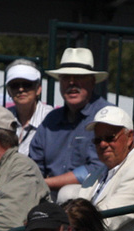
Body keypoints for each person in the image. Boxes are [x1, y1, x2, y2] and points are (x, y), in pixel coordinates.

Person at [29, 48, 108, 198]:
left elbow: (98, 169)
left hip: (91, 201)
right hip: (47, 199)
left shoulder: (105, 116)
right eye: (65, 77)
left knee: (68, 194)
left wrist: (46, 184)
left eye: (79, 77)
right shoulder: (50, 120)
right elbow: (33, 165)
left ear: (92, 82)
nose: (72, 83)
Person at [3, 58, 52, 157]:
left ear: (38, 89)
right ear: (9, 91)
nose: (21, 89)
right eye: (15, 85)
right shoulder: (3, 118)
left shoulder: (51, 118)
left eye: (27, 84)